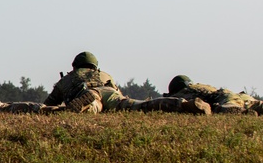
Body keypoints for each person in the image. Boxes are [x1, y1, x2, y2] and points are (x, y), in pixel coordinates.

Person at [44, 52, 209, 114]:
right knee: (141, 106)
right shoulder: (104, 74)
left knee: (92, 107)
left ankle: (86, 105)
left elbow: (48, 104)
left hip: (92, 95)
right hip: (111, 94)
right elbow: (116, 91)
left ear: (75, 65)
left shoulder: (67, 79)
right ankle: (183, 105)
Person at [166, 75, 263, 115]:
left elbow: (171, 103)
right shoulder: (200, 86)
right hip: (238, 96)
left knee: (227, 108)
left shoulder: (184, 92)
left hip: (223, 98)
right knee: (255, 104)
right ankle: (247, 110)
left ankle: (243, 112)